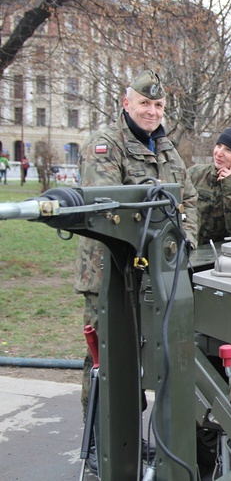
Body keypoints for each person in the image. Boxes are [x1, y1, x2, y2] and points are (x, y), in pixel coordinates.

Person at [74, 69, 198, 474]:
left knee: (148, 360)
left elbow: (188, 200)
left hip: (156, 276)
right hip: (111, 275)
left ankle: (137, 441)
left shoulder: (166, 149)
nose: (152, 111)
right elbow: (106, 208)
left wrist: (184, 242)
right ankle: (99, 443)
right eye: (145, 103)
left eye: (158, 105)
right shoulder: (106, 146)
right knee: (107, 363)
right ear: (126, 103)